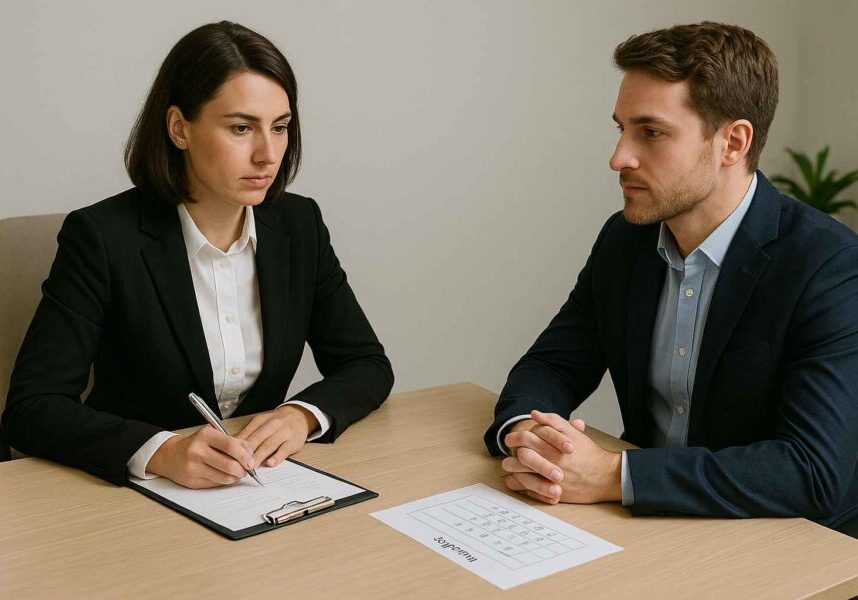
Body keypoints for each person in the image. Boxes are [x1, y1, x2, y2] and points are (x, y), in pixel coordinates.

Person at [484, 21, 858, 535]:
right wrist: (531, 437)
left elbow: (811, 471)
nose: (619, 158)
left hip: (784, 541)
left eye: (651, 132)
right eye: (621, 128)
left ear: (733, 142)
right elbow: (553, 365)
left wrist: (613, 474)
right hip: (648, 526)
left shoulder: (829, 265)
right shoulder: (625, 240)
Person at [2, 21, 393, 489]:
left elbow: (366, 364)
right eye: (242, 128)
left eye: (281, 127)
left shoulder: (299, 225)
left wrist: (301, 416)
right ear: (179, 128)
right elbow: (32, 407)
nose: (268, 154)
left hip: (258, 488)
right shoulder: (103, 237)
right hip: (135, 498)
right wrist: (160, 451)